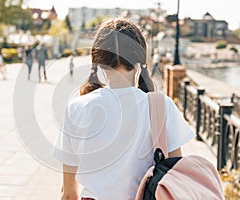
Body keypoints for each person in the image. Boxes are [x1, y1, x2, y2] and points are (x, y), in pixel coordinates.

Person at [53, 18, 195, 200]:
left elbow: (69, 194)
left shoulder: (76, 108)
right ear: (140, 59)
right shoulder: (162, 106)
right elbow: (176, 178)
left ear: (98, 60)